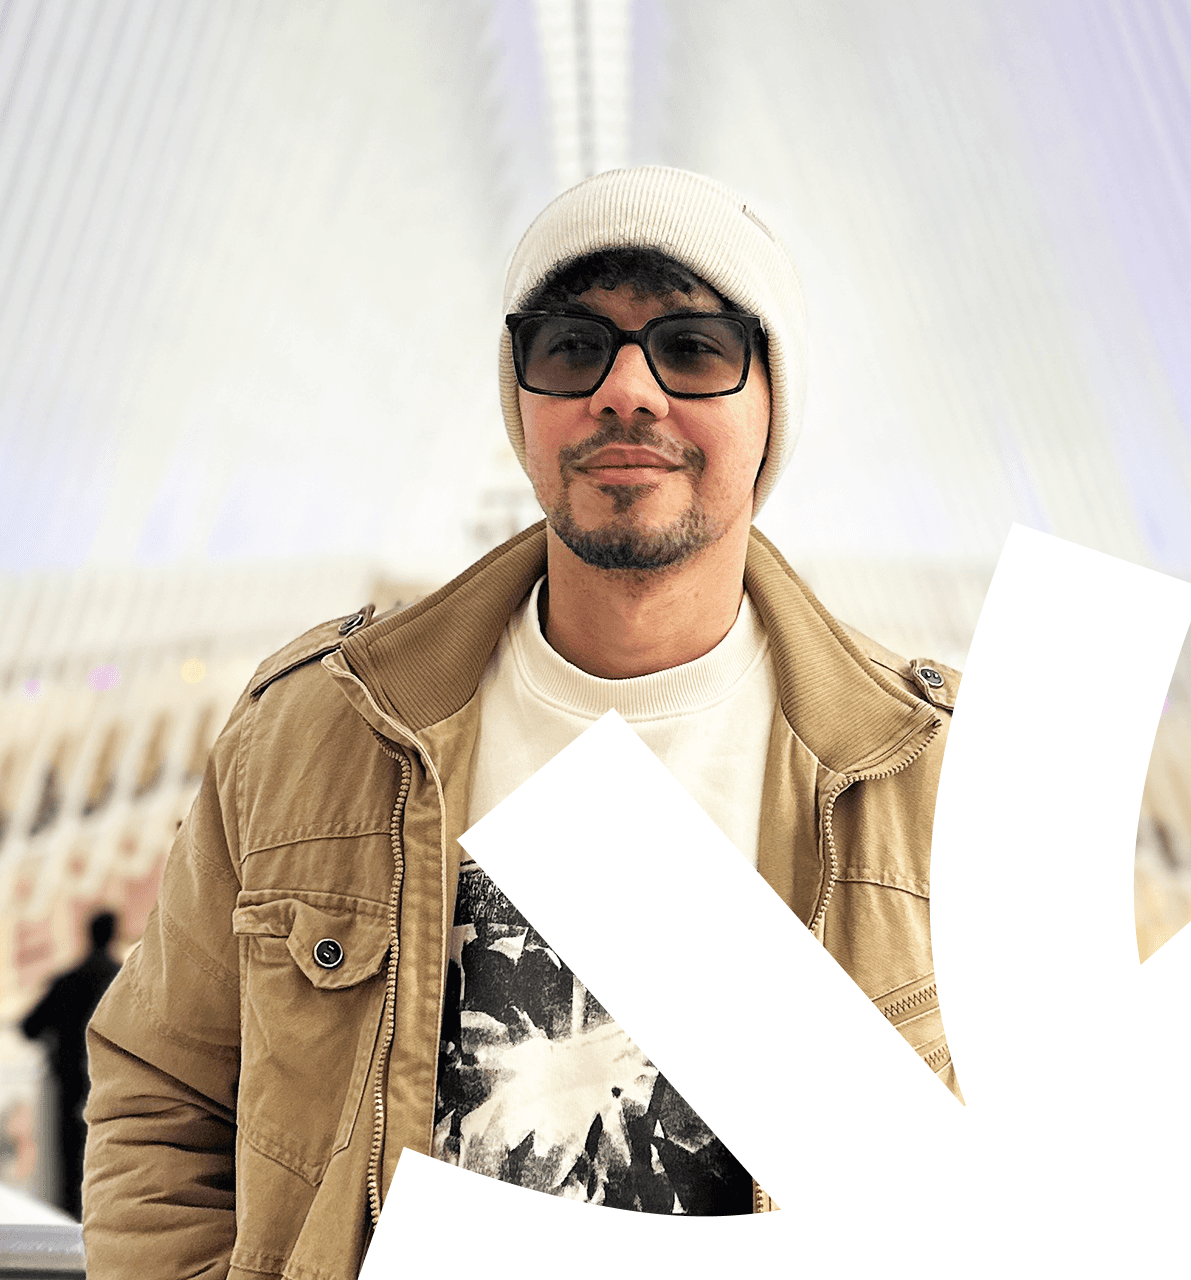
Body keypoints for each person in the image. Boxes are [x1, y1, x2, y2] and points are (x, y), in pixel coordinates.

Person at [83, 167, 961, 1279]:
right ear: (523, 403)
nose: (627, 391)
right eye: (573, 346)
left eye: (693, 349)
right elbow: (161, 1097)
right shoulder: (311, 734)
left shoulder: (935, 779)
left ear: (770, 407)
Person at [22, 909, 120, 1219]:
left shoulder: (67, 981)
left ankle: (72, 1224)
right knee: (111, 1157)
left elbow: (29, 1027)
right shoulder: (122, 981)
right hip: (113, 1087)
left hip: (70, 1084)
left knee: (69, 1163)